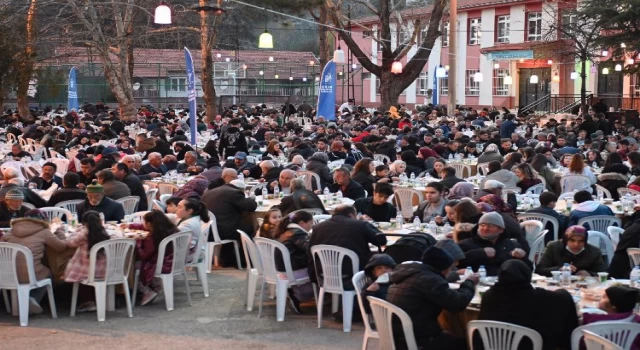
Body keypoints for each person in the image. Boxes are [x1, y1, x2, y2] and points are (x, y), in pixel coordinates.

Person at [385, 247, 478, 350]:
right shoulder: (430, 279)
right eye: (450, 269)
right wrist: (470, 282)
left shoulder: (408, 274)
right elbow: (457, 304)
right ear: (444, 269)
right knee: (471, 343)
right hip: (419, 339)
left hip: (398, 335)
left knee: (450, 334)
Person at [478, 260, 578, 350]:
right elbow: (564, 298)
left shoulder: (489, 296)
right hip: (532, 345)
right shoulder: (538, 297)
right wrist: (560, 291)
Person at [0, 209, 67, 313]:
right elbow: (61, 247)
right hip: (31, 275)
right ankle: (33, 298)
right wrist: (60, 232)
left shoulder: (11, 231)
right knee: (49, 272)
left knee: (32, 268)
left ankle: (22, 301)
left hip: (8, 275)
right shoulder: (44, 232)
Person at [307, 205, 386, 287]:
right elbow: (381, 240)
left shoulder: (317, 227)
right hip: (351, 272)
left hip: (324, 273)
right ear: (351, 215)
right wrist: (367, 223)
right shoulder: (360, 225)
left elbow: (309, 251)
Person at [201, 179, 257, 267]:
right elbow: (251, 206)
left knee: (235, 225)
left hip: (206, 230)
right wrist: (251, 198)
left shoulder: (210, 192)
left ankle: (227, 260)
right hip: (223, 231)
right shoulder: (235, 193)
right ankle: (245, 261)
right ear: (241, 189)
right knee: (248, 229)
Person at [63, 211, 111, 312]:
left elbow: (70, 243)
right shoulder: (105, 232)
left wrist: (76, 231)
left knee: (75, 274)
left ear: (84, 223)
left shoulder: (84, 233)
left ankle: (87, 301)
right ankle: (98, 300)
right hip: (104, 269)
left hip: (88, 269)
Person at [458, 212, 531, 276]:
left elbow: (529, 270)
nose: (485, 228)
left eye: (491, 226)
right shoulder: (465, 244)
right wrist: (480, 253)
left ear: (501, 229)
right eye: (482, 225)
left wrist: (523, 258)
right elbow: (455, 263)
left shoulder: (512, 245)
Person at [133, 210, 179, 305]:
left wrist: (137, 242)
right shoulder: (172, 230)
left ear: (149, 224)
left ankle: (146, 291)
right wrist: (131, 226)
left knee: (132, 266)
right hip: (172, 261)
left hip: (158, 265)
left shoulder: (153, 238)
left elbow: (143, 256)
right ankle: (155, 286)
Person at [274, 210, 314, 313]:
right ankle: (327, 296)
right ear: (301, 223)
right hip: (293, 269)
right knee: (321, 269)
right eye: (311, 223)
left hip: (282, 268)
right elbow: (309, 249)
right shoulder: (297, 233)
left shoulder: (285, 230)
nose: (312, 225)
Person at [535, 226, 607, 277]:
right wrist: (559, 269)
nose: (576, 244)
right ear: (566, 240)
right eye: (572, 240)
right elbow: (539, 270)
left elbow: (603, 273)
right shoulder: (553, 247)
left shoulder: (594, 251)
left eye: (581, 241)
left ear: (585, 241)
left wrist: (590, 274)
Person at [174, 198, 210, 263]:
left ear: (189, 211)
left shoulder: (187, 224)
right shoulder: (195, 218)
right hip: (195, 251)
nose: (176, 209)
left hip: (188, 254)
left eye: (179, 207)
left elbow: (175, 240)